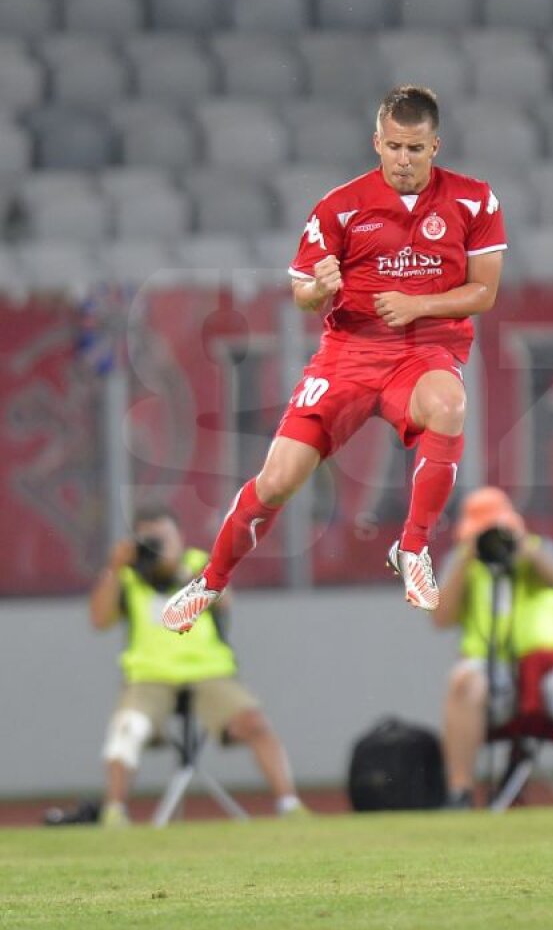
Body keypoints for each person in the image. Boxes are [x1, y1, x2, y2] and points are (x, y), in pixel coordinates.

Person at [162, 85, 506, 631]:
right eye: (393, 146)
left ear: (435, 146)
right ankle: (211, 581)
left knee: (449, 403)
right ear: (377, 142)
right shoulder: (341, 206)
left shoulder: (473, 200)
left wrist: (418, 304)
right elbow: (302, 291)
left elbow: (484, 293)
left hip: (423, 351)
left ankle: (412, 548)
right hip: (347, 354)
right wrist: (318, 289)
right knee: (277, 481)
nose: (403, 160)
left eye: (415, 149)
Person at [89, 506, 306, 826]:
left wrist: (176, 570)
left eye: (163, 538)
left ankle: (290, 805)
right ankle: (114, 812)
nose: (156, 547)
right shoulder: (128, 575)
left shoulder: (197, 565)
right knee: (127, 729)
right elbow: (99, 619)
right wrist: (114, 567)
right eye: (149, 540)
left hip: (210, 673)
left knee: (255, 722)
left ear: (180, 538)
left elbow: (225, 599)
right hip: (149, 676)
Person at [432, 487, 553, 807]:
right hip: (489, 670)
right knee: (462, 682)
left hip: (552, 666)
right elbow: (441, 618)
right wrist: (467, 556)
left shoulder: (540, 548)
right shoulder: (462, 562)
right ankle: (461, 792)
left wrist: (523, 549)